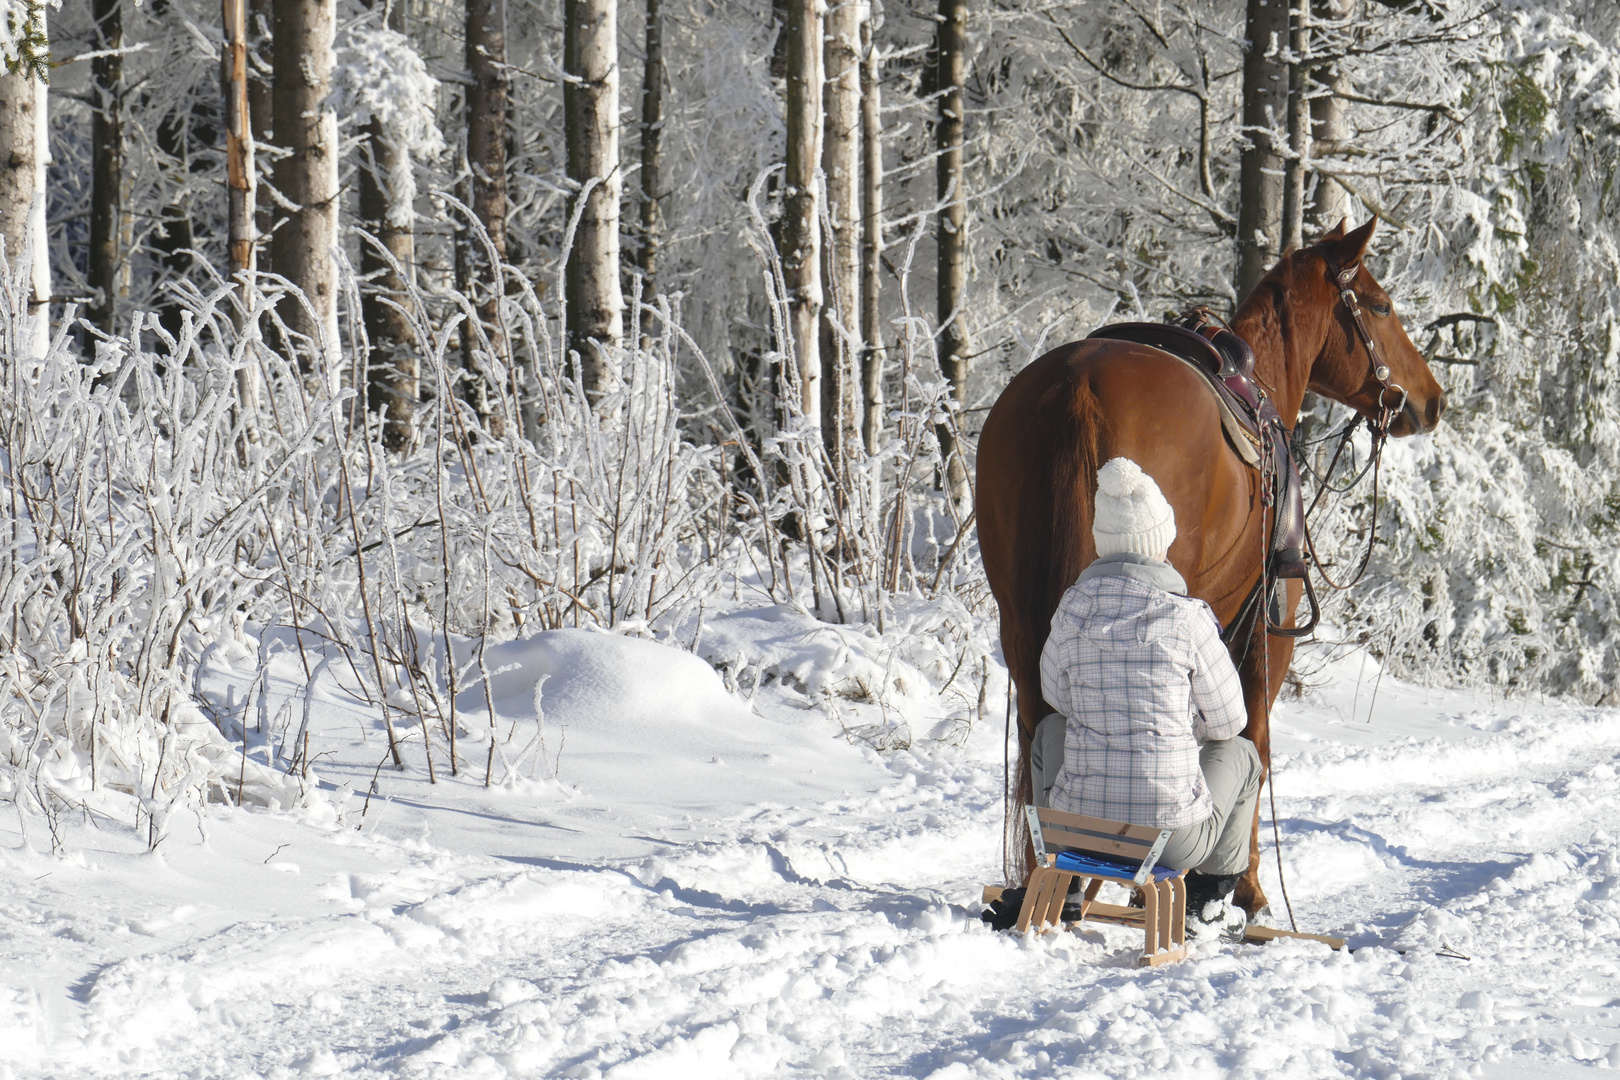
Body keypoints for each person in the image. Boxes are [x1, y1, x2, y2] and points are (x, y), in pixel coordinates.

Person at [994, 456, 1263, 934]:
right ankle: (1207, 902)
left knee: (1050, 731)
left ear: (1103, 545)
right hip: (1170, 841)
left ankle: (1068, 883)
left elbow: (1058, 700)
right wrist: (1182, 725)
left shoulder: (1071, 608)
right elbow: (1229, 723)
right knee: (1241, 754)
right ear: (1159, 542)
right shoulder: (1188, 618)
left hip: (1076, 832)